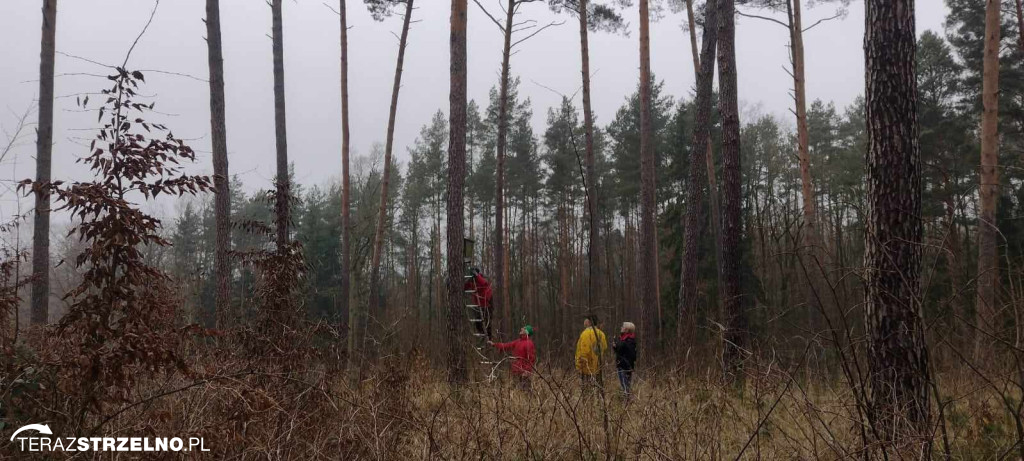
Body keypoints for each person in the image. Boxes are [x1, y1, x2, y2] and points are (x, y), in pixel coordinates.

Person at [575, 316, 607, 390]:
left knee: (587, 390)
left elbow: (584, 351)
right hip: (598, 367)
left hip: (587, 367)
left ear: (589, 322)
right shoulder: (601, 334)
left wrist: (579, 365)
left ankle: (588, 401)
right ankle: (599, 401)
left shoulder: (585, 334)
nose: (584, 322)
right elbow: (604, 348)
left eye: (585, 320)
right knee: (598, 389)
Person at [464, 267, 494, 339]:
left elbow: (484, 283)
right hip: (478, 305)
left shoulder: (482, 278)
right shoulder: (472, 281)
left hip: (487, 303)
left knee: (487, 323)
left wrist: (477, 276)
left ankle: (489, 339)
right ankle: (482, 336)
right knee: (477, 323)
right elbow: (464, 287)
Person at [613, 322, 637, 398]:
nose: (621, 327)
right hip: (621, 365)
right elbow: (619, 351)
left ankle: (628, 402)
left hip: (626, 367)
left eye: (623, 326)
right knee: (624, 386)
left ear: (627, 330)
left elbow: (631, 355)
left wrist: (618, 345)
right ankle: (627, 402)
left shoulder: (629, 340)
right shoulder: (623, 339)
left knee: (626, 387)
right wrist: (615, 347)